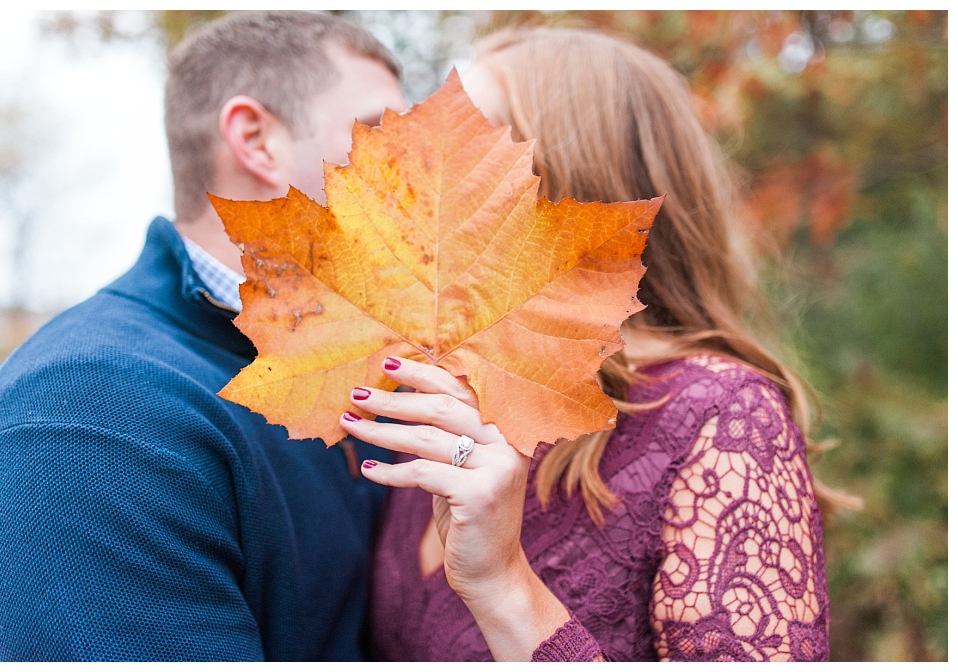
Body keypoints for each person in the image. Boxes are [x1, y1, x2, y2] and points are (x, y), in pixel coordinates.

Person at [339, 26, 831, 661]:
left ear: (572, 192)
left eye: (472, 147)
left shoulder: (718, 415)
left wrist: (504, 589)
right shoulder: (438, 405)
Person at [0, 11, 406, 661]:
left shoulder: (350, 359)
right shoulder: (88, 411)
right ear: (256, 140)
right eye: (376, 134)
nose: (414, 171)